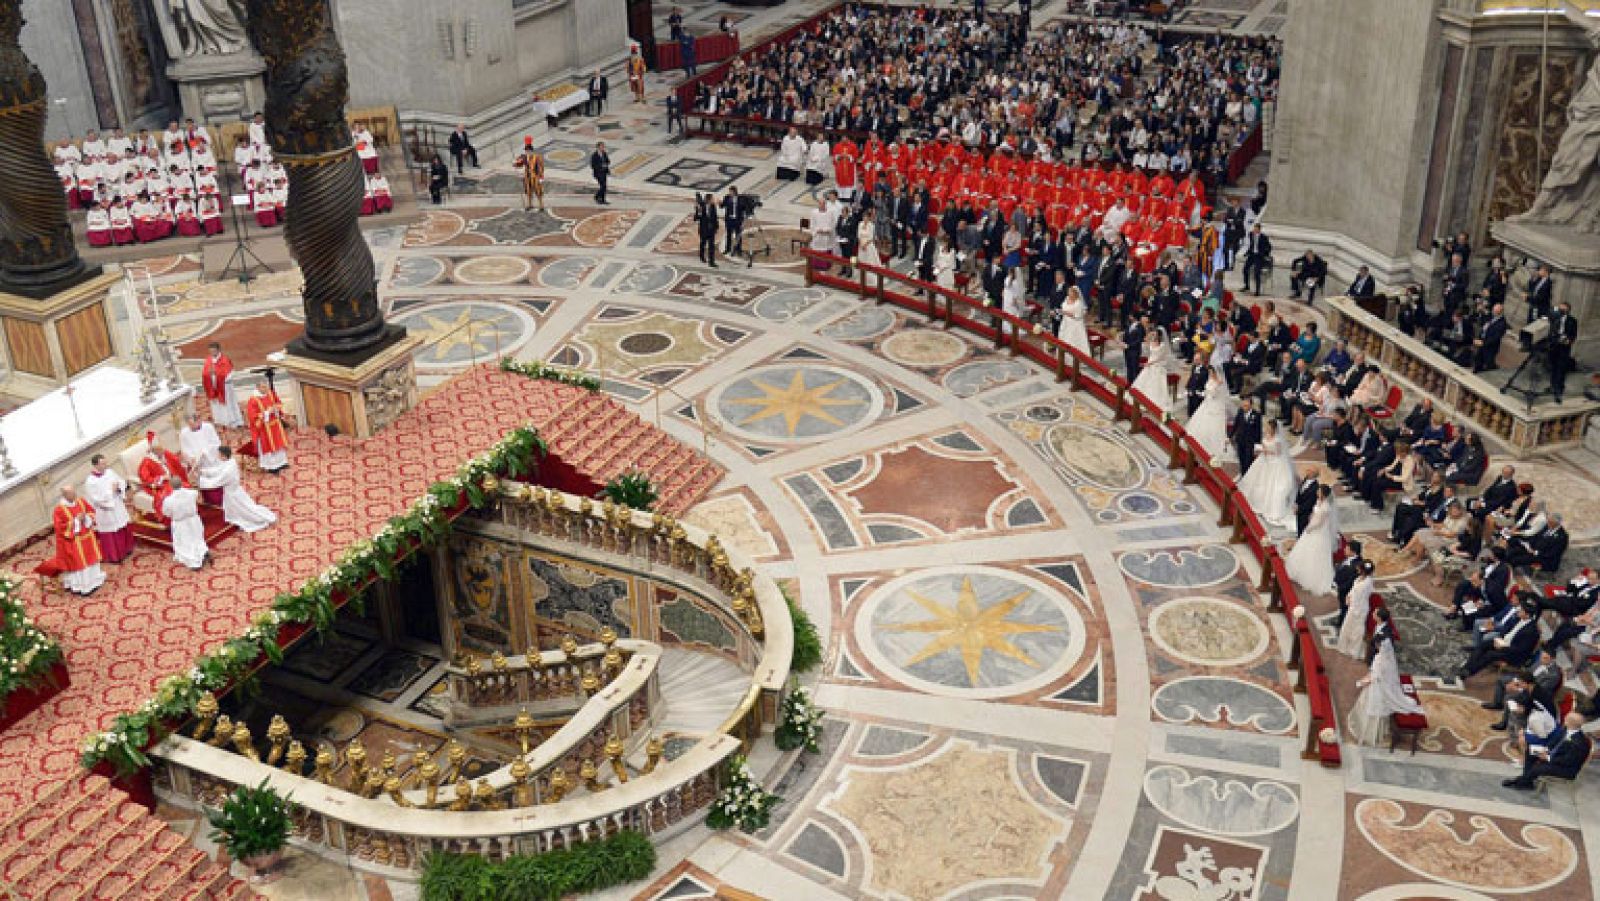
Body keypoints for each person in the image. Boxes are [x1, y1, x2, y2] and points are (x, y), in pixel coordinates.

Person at [1348, 608, 1424, 746]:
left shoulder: (1384, 641)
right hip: (1380, 661)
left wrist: (1373, 676)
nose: (1372, 614)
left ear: (1378, 618)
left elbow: (1384, 659)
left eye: (1374, 613)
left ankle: (1371, 734)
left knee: (1375, 697)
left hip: (1382, 668)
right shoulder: (1382, 627)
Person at [1503, 712, 1590, 791]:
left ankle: (1521, 782)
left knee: (1537, 768)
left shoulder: (1579, 743)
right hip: (1554, 755)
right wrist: (1546, 750)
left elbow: (1568, 761)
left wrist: (1548, 758)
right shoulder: (1566, 729)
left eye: (1566, 718)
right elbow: (1554, 741)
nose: (1564, 719)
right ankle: (1526, 782)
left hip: (1566, 769)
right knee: (1530, 752)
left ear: (1569, 722)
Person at [1238, 420, 1298, 528]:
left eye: (1268, 427)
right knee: (1257, 480)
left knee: (1270, 484)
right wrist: (1262, 450)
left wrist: (1266, 451)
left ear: (1273, 428)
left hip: (1274, 463)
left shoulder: (1278, 440)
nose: (1266, 428)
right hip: (1264, 460)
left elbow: (1279, 453)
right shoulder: (1266, 435)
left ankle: (1267, 507)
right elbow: (1264, 444)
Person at [206, 446, 276, 533]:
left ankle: (256, 519)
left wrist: (203, 481)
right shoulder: (230, 461)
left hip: (232, 493)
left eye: (219, 455)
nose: (218, 456)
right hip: (235, 490)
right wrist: (206, 472)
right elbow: (218, 470)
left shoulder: (228, 470)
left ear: (223, 456)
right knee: (243, 507)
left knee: (243, 509)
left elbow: (217, 481)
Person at [52, 486, 105, 595]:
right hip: (74, 542)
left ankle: (95, 580)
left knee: (92, 559)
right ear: (65, 495)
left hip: (87, 537)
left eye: (74, 492)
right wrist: (76, 521)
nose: (74, 495)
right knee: (81, 563)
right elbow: (60, 528)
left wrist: (86, 517)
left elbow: (91, 511)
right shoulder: (59, 510)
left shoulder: (81, 501)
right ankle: (83, 586)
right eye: (71, 493)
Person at [83, 456, 133, 564]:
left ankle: (127, 549)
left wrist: (120, 487)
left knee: (122, 525)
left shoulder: (109, 472)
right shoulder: (91, 481)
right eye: (102, 464)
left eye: (105, 463)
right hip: (105, 509)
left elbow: (120, 481)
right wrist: (111, 491)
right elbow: (95, 498)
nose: (105, 466)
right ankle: (114, 555)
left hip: (117, 504)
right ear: (95, 465)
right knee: (111, 531)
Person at [1188, 368, 1235, 463]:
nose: (1210, 374)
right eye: (1209, 372)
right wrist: (1202, 393)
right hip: (1207, 403)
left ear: (1215, 372)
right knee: (1201, 423)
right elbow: (1207, 391)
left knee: (1213, 426)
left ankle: (1212, 448)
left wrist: (1211, 391)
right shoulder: (1210, 379)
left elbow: (1215, 394)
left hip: (1215, 406)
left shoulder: (1220, 382)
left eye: (1211, 372)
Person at [178, 413, 226, 506]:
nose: (192, 427)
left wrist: (205, 452)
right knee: (204, 485)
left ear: (199, 420)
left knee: (216, 484)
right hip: (197, 463)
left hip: (211, 460)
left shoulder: (208, 427)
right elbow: (184, 449)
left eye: (193, 424)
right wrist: (191, 458)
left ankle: (222, 500)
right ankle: (208, 500)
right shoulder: (184, 433)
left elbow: (216, 443)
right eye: (189, 425)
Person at [160, 476, 207, 570]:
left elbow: (166, 513)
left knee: (185, 543)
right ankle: (202, 551)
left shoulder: (168, 500)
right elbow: (196, 496)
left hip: (180, 524)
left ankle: (193, 561)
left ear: (171, 486)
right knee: (196, 538)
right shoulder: (192, 493)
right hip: (193, 520)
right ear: (181, 483)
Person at [139, 433, 189, 517]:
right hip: (161, 486)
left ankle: (186, 509)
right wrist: (162, 478)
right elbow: (146, 479)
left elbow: (175, 460)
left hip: (172, 480)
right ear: (154, 451)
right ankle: (175, 515)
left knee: (184, 487)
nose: (164, 451)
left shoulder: (164, 453)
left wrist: (182, 463)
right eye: (161, 450)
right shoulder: (146, 462)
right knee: (172, 494)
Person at [1335, 561, 1377, 659]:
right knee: (1347, 626)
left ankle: (1354, 650)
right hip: (1353, 606)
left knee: (1357, 630)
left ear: (1362, 570)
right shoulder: (1359, 579)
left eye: (1359, 568)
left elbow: (1360, 597)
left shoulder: (1366, 584)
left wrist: (1353, 605)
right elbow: (1353, 589)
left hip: (1359, 608)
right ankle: (1344, 647)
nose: (1357, 569)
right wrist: (1348, 596)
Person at [246, 383, 290, 473]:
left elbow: (278, 403)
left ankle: (282, 462)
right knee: (269, 446)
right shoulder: (253, 400)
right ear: (258, 387)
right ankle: (272, 466)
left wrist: (276, 409)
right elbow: (252, 416)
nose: (266, 388)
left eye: (266, 386)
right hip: (264, 429)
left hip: (275, 425)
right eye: (263, 387)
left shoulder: (271, 394)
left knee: (279, 443)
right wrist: (267, 412)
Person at [198, 341, 243, 428]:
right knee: (217, 404)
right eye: (210, 351)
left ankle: (233, 420)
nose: (212, 353)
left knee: (228, 404)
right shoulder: (208, 360)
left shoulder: (225, 360)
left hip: (225, 387)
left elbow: (229, 373)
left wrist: (216, 373)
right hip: (213, 386)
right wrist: (209, 374)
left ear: (218, 350)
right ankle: (221, 420)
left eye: (214, 351)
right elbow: (204, 374)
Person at [1130, 326, 1173, 409]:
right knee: (1143, 380)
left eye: (1156, 334)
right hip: (1149, 363)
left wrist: (1149, 363)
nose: (1154, 335)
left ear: (1160, 336)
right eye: (1154, 333)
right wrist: (1149, 336)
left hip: (1157, 365)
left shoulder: (1163, 345)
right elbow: (1147, 347)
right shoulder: (1152, 341)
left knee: (1155, 384)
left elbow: (1160, 358)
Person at [1549, 301, 1578, 401]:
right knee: (1553, 367)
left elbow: (1573, 335)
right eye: (1560, 308)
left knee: (1561, 369)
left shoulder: (1572, 321)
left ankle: (1558, 390)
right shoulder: (1554, 318)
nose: (1560, 310)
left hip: (1564, 348)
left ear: (1567, 310)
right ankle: (1552, 386)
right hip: (1554, 346)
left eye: (1563, 309)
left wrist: (1568, 340)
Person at [1057, 285, 1092, 358]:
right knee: (1064, 340)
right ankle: (1063, 358)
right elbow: (1063, 307)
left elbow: (1077, 316)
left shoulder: (1078, 303)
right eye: (1068, 292)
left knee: (1073, 342)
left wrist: (1065, 312)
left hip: (1075, 325)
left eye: (1070, 292)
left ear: (1075, 293)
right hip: (1065, 323)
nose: (1068, 293)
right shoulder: (1066, 298)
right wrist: (1059, 312)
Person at [1232, 396, 1263, 474]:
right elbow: (1235, 425)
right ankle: (1243, 476)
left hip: (1250, 442)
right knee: (1241, 460)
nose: (1244, 407)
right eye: (1243, 405)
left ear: (1251, 405)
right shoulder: (1240, 411)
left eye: (1246, 406)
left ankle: (1248, 476)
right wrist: (1230, 436)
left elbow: (1258, 431)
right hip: (1240, 441)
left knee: (1248, 462)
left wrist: (1257, 445)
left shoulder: (1257, 415)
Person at [513, 138, 545, 212]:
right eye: (526, 151)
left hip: (535, 176)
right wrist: (515, 164)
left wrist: (541, 176)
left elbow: (541, 167)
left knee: (538, 191)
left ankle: (541, 205)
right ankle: (530, 204)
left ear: (531, 151)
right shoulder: (524, 157)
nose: (527, 152)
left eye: (528, 151)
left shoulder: (537, 157)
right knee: (528, 191)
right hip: (527, 177)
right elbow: (520, 164)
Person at [1242, 225, 1271, 295]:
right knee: (1245, 269)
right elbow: (1251, 245)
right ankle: (1246, 286)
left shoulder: (1264, 237)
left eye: (1256, 229)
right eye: (1254, 229)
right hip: (1252, 255)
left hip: (1259, 257)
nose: (1254, 230)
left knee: (1257, 272)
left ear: (1259, 230)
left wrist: (1264, 254)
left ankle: (1257, 290)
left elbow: (1269, 247)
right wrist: (1247, 253)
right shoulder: (1251, 234)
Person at [694, 193, 720, 267]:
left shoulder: (713, 206)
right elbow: (696, 218)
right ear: (709, 199)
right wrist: (698, 211)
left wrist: (716, 227)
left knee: (711, 246)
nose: (714, 200)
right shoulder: (701, 206)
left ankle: (711, 262)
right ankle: (702, 256)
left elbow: (715, 217)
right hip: (703, 229)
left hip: (711, 230)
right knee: (703, 243)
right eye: (712, 198)